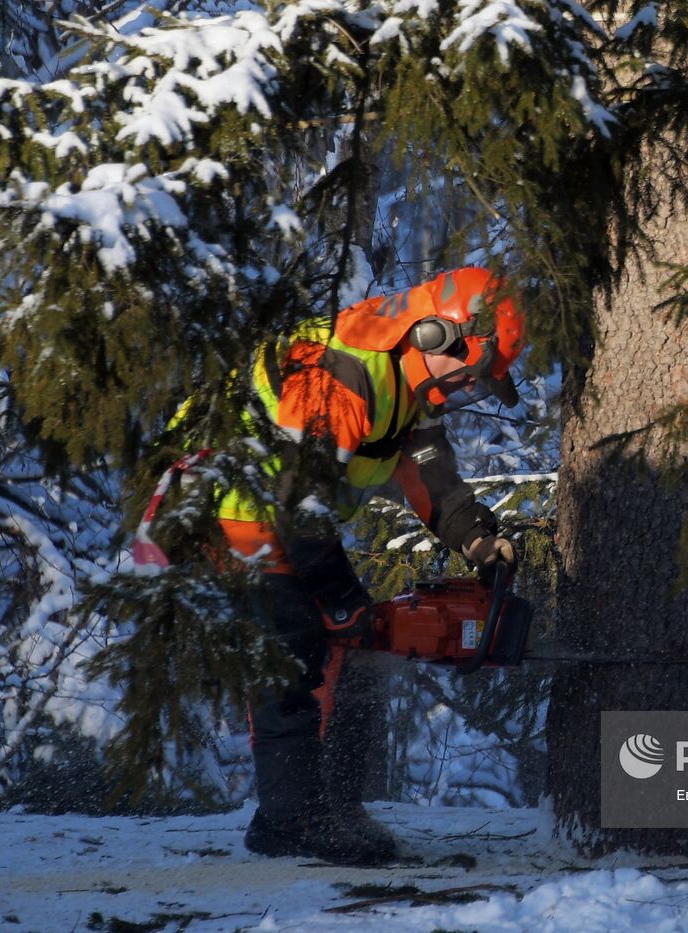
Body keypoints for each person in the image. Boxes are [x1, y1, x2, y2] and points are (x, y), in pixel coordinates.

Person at [220, 266, 525, 865]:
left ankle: (334, 804)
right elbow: (298, 496)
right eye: (473, 372)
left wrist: (476, 539)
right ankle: (289, 821)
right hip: (231, 506)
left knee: (356, 645)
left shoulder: (407, 386)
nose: (469, 387)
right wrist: (338, 596)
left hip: (283, 513)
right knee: (297, 642)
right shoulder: (345, 372)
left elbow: (426, 470)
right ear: (441, 335)